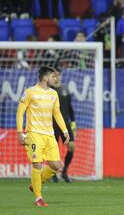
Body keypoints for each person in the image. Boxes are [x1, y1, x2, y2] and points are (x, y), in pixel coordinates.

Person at [16, 66, 70, 207]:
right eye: (53, 76)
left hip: (49, 135)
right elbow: (20, 112)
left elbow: (57, 113)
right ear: (45, 77)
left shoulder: (54, 94)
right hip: (34, 134)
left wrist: (65, 131)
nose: (55, 78)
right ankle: (38, 198)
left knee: (56, 165)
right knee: (37, 163)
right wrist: (19, 132)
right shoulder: (29, 92)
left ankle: (35, 184)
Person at [52, 68, 76, 183]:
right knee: (53, 151)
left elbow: (70, 108)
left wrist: (73, 123)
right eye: (54, 75)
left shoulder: (65, 89)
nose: (56, 77)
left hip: (66, 124)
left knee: (71, 146)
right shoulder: (49, 91)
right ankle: (53, 173)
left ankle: (65, 171)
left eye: (58, 74)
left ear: (60, 75)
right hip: (53, 125)